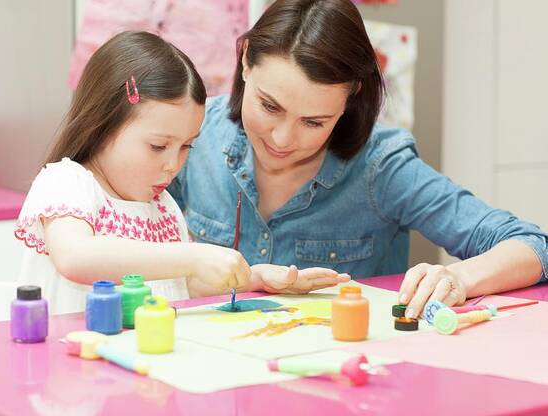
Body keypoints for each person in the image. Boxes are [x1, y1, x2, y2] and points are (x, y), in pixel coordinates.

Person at [168, 0, 548, 319]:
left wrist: (460, 279)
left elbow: (533, 245)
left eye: (314, 121)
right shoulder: (193, 135)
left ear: (350, 97)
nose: (283, 138)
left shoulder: (381, 167)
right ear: (246, 60)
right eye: (269, 106)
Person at [14, 31, 348, 314]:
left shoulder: (162, 207)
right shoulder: (67, 182)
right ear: (102, 126)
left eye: (187, 146)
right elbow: (77, 257)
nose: (173, 164)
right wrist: (193, 255)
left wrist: (255, 278)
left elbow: (179, 283)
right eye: (158, 146)